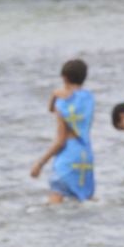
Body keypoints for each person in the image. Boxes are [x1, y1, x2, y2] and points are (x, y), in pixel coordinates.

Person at [32, 58, 95, 204]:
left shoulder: (62, 105)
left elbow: (60, 141)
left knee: (56, 197)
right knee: (85, 199)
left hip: (68, 155)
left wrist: (40, 163)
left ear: (64, 77)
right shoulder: (89, 99)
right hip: (85, 155)